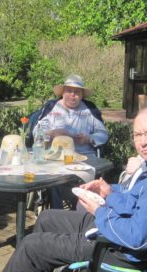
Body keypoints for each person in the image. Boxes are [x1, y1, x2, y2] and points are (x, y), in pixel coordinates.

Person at [0, 105, 147, 272]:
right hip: (119, 231)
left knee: (31, 246)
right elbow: (134, 204)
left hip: (122, 252)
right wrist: (109, 192)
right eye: (138, 135)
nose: (143, 142)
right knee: (47, 218)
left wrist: (99, 211)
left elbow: (137, 238)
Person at [33, 74, 109, 208]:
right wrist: (50, 133)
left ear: (82, 95)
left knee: (85, 178)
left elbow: (103, 134)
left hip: (83, 158)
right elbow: (37, 132)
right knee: (53, 180)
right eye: (69, 91)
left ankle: (81, 211)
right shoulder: (52, 107)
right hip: (55, 157)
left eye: (77, 92)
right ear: (63, 92)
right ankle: (57, 213)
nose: (73, 95)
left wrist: (89, 138)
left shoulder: (89, 110)